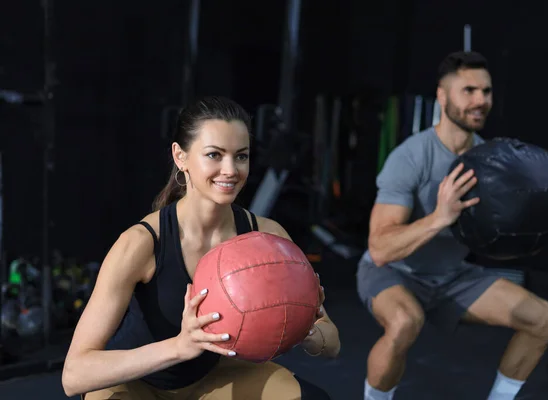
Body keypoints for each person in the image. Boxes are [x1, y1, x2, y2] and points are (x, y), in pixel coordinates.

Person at [62, 96, 340, 400]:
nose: (230, 170)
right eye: (214, 155)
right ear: (180, 157)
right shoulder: (142, 243)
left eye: (241, 156)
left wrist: (306, 327)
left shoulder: (268, 238)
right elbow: (75, 375)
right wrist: (179, 347)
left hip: (212, 381)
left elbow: (331, 344)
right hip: (136, 384)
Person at [357, 51, 548, 400]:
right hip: (395, 271)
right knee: (405, 323)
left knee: (542, 318)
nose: (481, 100)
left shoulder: (493, 161)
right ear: (442, 95)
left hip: (452, 276)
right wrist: (439, 216)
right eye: (469, 90)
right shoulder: (411, 156)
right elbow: (380, 248)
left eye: (487, 91)